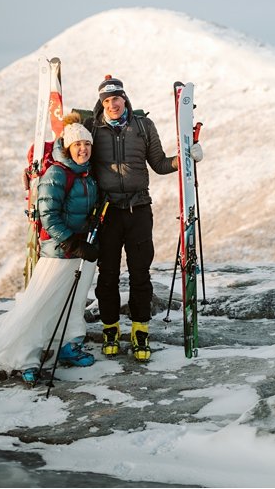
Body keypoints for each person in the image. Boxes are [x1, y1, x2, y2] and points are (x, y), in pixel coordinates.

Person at [86, 75, 202, 362]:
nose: (112, 104)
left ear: (125, 99)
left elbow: (160, 164)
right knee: (108, 274)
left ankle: (140, 330)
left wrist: (186, 157)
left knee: (140, 274)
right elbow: (76, 156)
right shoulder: (92, 128)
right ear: (100, 104)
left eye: (116, 98)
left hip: (139, 209)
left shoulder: (143, 126)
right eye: (106, 100)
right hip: (107, 212)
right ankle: (110, 328)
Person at [0, 114, 101, 382]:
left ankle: (70, 343)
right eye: (78, 144)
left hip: (83, 249)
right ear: (68, 147)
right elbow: (48, 215)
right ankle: (25, 356)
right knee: (42, 303)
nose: (83, 148)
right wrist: (72, 242)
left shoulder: (86, 173)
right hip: (60, 252)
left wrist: (89, 228)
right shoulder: (57, 173)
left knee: (74, 301)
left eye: (87, 144)